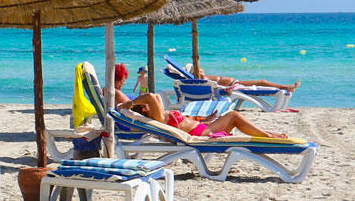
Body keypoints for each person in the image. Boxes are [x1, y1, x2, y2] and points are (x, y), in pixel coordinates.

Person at [121, 92, 286, 138]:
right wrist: (130, 104)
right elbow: (151, 96)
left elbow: (155, 96)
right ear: (145, 109)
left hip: (203, 127)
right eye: (145, 105)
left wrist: (204, 119)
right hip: (201, 133)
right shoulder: (157, 118)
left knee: (234, 117)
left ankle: (269, 134)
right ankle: (268, 136)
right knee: (234, 116)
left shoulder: (160, 114)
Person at [189, 66, 300, 92]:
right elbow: (216, 87)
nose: (202, 69)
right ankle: (287, 87)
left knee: (262, 82)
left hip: (236, 83)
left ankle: (286, 87)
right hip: (234, 86)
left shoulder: (203, 78)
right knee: (261, 82)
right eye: (199, 69)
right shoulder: (202, 79)